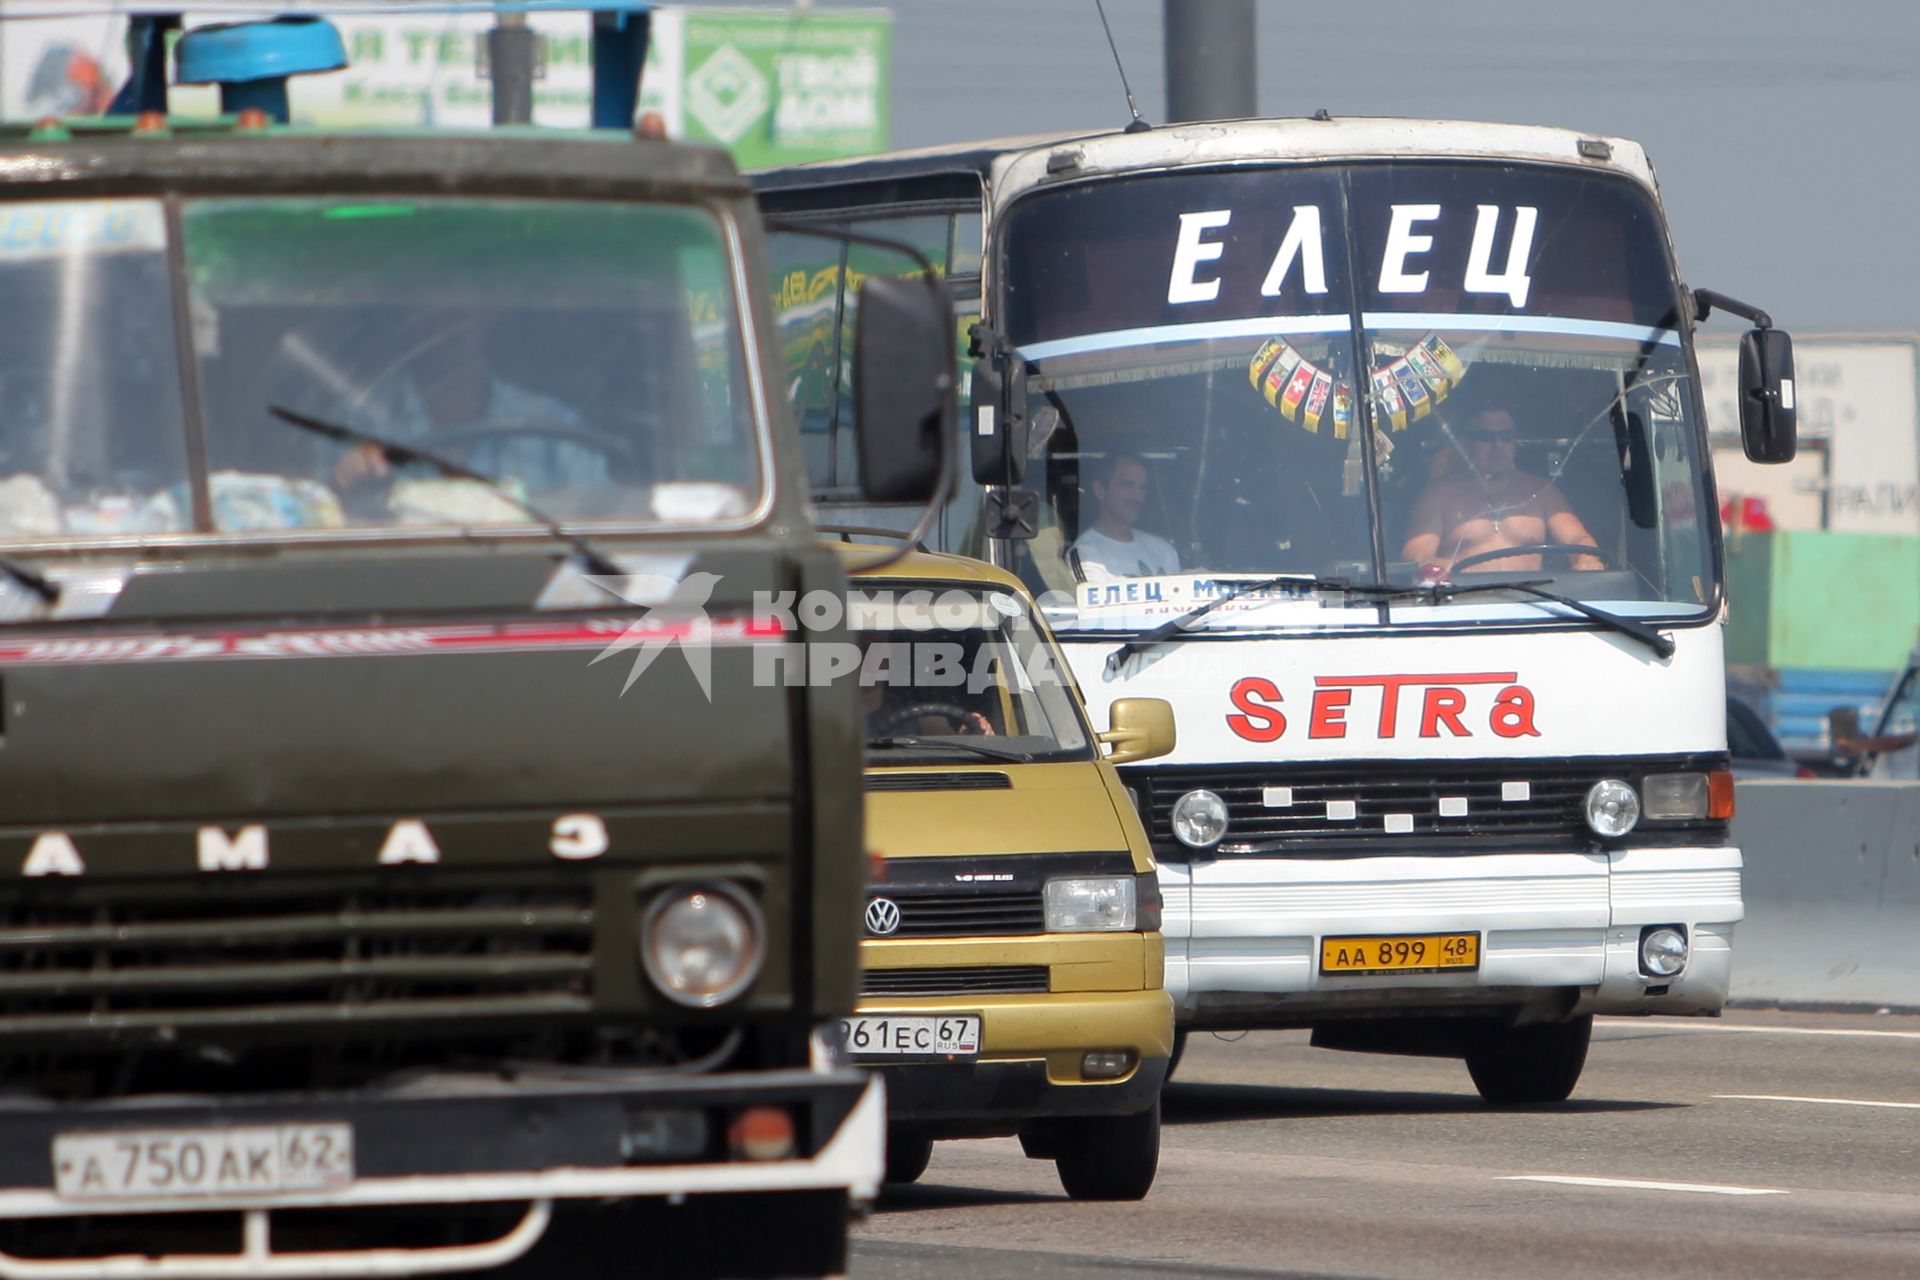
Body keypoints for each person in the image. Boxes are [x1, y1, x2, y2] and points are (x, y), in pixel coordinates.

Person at [331, 313, 599, 496]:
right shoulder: (359, 421)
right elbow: (316, 516)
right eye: (432, 313)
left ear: (488, 318)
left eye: (461, 313)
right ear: (409, 322)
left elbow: (600, 523)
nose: (447, 327)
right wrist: (350, 481)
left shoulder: (553, 427)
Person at [1400, 406, 1603, 576]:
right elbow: (1416, 555)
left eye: (1506, 436)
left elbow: (1579, 540)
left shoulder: (1542, 491)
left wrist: (1586, 558)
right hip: (1462, 607)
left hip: (1534, 608)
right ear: (1464, 443)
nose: (1498, 445)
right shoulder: (1438, 495)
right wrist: (1441, 565)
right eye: (1486, 436)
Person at [1070, 452, 1180, 580]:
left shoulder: (1162, 550)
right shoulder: (1085, 553)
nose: (1137, 496)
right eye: (1127, 485)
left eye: (1142, 488)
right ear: (1100, 490)